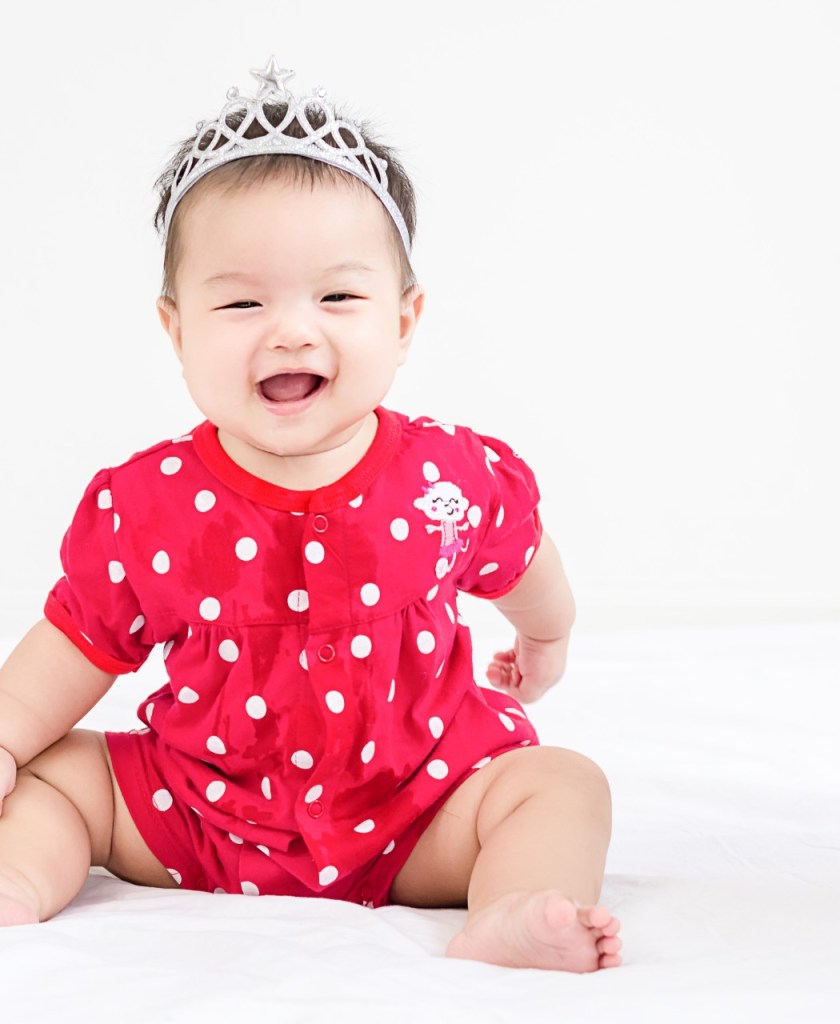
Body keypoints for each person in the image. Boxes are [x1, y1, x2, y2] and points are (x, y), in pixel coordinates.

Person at [0, 58, 622, 972]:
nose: (291, 329)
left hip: (420, 812)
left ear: (404, 321)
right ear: (177, 331)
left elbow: (527, 561)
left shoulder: (447, 476)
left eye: (337, 296)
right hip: (198, 811)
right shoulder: (148, 504)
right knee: (57, 778)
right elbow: (74, 644)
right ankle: (19, 881)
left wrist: (548, 642)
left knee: (563, 784)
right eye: (242, 301)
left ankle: (516, 907)